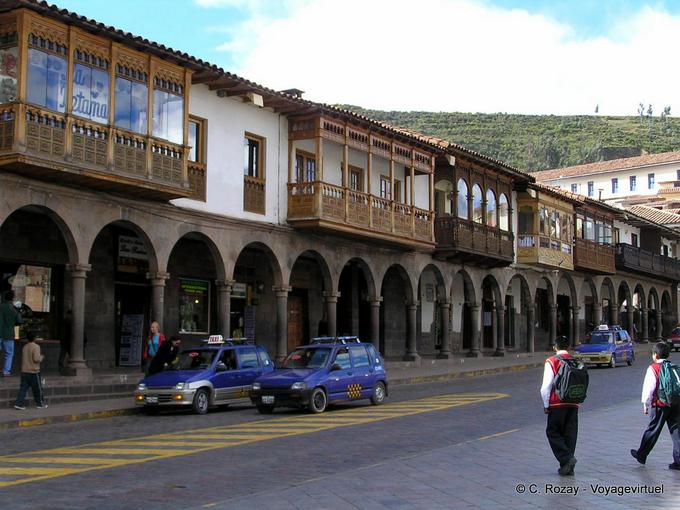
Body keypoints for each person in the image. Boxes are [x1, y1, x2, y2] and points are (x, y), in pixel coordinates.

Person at [630, 342, 680, 469]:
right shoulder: (673, 367)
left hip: (659, 404)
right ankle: (678, 460)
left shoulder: (653, 368)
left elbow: (649, 388)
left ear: (655, 355)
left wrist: (645, 404)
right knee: (676, 431)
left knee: (653, 429)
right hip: (675, 403)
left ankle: (641, 454)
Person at [540, 335, 579, 476]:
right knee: (570, 434)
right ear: (568, 347)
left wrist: (546, 404)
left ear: (554, 347)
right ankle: (568, 467)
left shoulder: (552, 361)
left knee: (552, 432)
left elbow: (545, 387)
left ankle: (567, 459)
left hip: (557, 403)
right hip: (574, 402)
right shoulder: (575, 360)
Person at [14, 331, 46, 410]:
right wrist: (41, 357)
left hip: (24, 371)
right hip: (34, 372)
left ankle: (19, 403)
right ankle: (40, 404)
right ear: (35, 338)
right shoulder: (36, 346)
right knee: (38, 389)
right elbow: (36, 359)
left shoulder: (25, 346)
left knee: (23, 389)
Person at [0, 290, 22, 377]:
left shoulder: (0, 306)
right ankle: (6, 371)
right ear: (12, 298)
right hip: (9, 335)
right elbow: (19, 321)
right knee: (9, 354)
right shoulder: (13, 309)